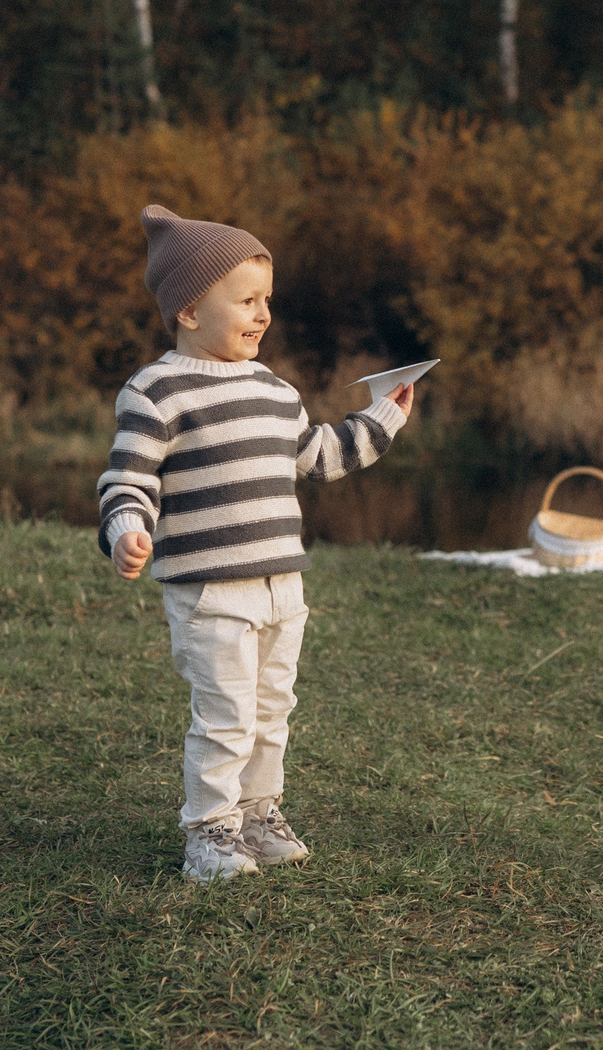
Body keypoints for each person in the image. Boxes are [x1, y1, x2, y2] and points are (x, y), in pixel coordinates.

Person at [98, 205, 417, 884]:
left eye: (266, 300)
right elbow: (127, 478)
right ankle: (209, 834)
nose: (263, 313)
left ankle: (257, 813)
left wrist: (385, 415)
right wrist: (128, 527)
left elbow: (320, 455)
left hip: (282, 587)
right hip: (212, 590)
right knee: (224, 715)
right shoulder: (156, 391)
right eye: (245, 300)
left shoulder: (275, 390)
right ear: (188, 310)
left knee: (272, 710)